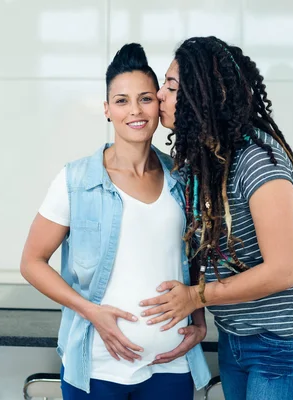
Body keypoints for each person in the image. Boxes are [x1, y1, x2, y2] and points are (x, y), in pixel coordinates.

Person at [141, 36, 293, 400]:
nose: (160, 95)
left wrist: (195, 297)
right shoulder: (201, 163)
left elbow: (284, 271)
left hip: (288, 345)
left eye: (170, 86)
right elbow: (199, 248)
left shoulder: (257, 160)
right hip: (237, 339)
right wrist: (198, 314)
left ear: (204, 96)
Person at [20, 42, 210, 400]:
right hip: (97, 365)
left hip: (170, 364)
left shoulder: (183, 177)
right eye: (121, 101)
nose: (135, 111)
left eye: (145, 98)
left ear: (159, 103)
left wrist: (198, 318)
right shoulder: (76, 180)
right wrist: (91, 312)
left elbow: (195, 255)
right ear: (107, 110)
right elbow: (31, 262)